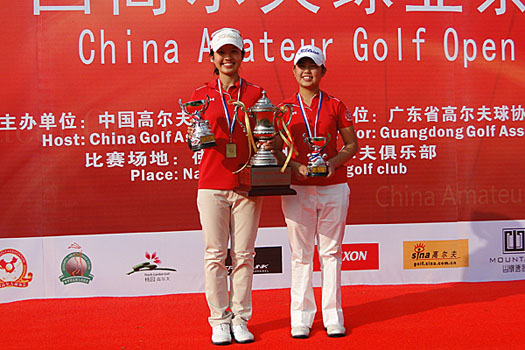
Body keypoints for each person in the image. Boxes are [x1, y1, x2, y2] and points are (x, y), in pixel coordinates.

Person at [186, 28, 264, 345]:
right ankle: (219, 319)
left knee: (244, 255)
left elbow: (265, 136)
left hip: (247, 184)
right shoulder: (200, 95)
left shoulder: (257, 94)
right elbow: (191, 140)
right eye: (222, 53)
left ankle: (241, 318)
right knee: (215, 255)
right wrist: (194, 134)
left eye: (234, 52)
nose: (228, 58)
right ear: (212, 58)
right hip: (212, 185)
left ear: (242, 56)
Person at [274, 45, 359, 339]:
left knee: (331, 253)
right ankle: (301, 317)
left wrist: (331, 165)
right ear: (294, 71)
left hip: (333, 187)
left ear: (322, 71)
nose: (307, 71)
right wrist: (296, 166)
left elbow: (351, 145)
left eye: (313, 66)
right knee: (300, 255)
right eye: (301, 66)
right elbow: (273, 149)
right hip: (298, 189)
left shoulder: (335, 105)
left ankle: (333, 316)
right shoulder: (284, 108)